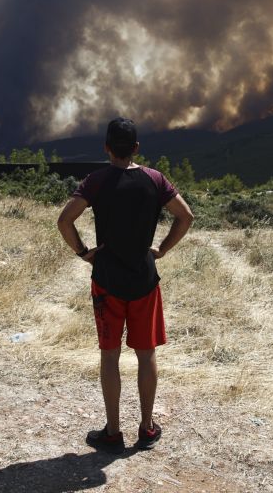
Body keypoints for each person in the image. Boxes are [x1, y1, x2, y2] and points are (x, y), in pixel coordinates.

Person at [56, 117, 194, 453]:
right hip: (145, 280)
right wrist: (161, 249)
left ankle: (113, 433)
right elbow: (186, 216)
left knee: (110, 357)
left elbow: (64, 220)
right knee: (146, 357)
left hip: (107, 281)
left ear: (106, 147)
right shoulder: (154, 179)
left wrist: (84, 252)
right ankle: (146, 429)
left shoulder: (96, 181)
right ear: (135, 148)